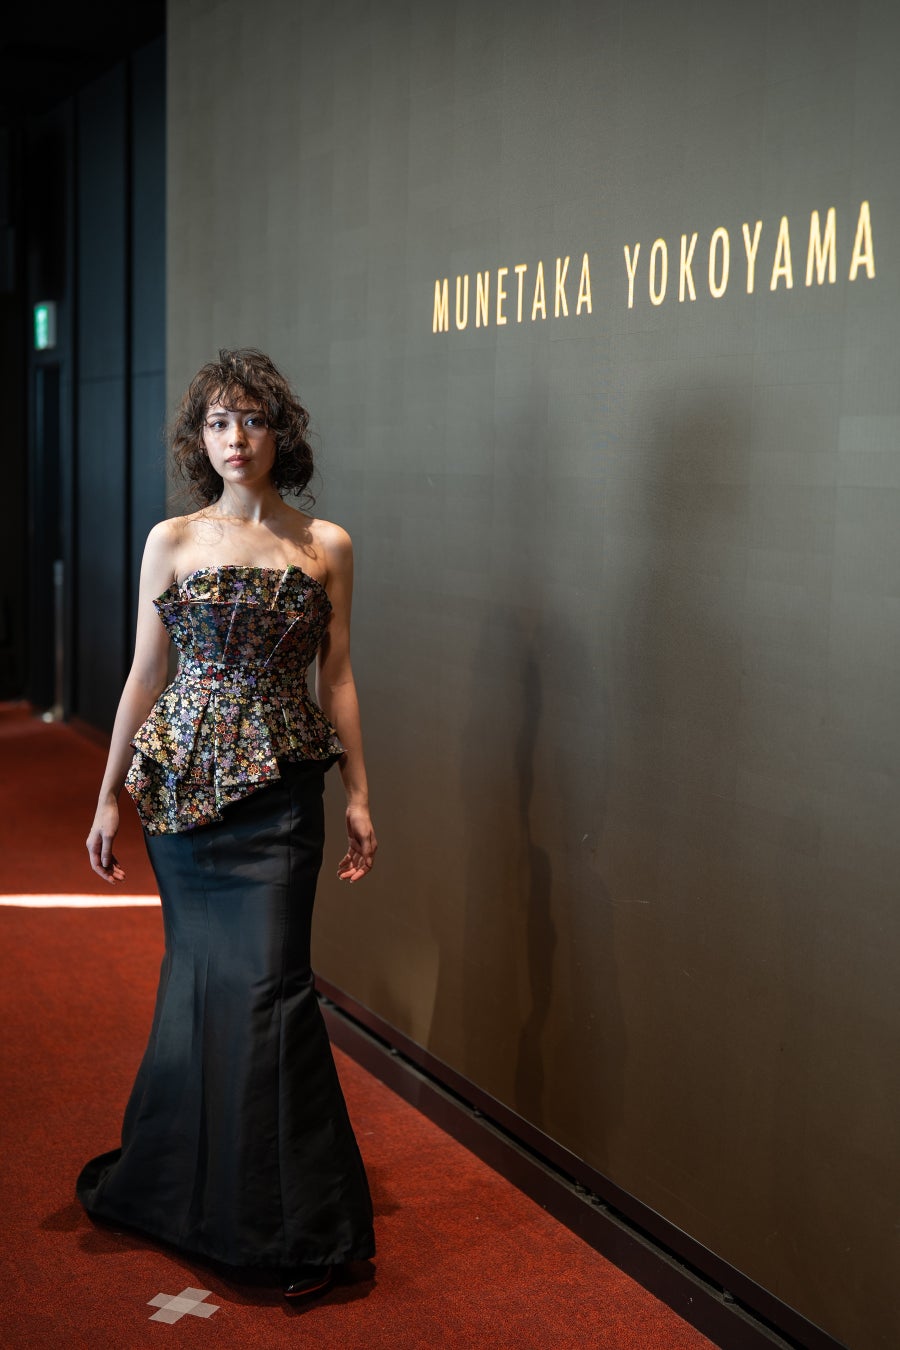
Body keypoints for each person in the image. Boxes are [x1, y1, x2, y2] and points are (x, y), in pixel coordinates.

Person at [79, 348, 377, 1300]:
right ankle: (184, 1194)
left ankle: (294, 1227)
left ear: (279, 433)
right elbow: (145, 675)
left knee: (272, 991)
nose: (234, 438)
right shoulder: (171, 540)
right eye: (216, 422)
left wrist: (360, 791)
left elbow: (337, 676)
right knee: (198, 985)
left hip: (283, 793)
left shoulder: (325, 544)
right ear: (198, 438)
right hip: (179, 792)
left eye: (251, 419)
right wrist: (108, 792)